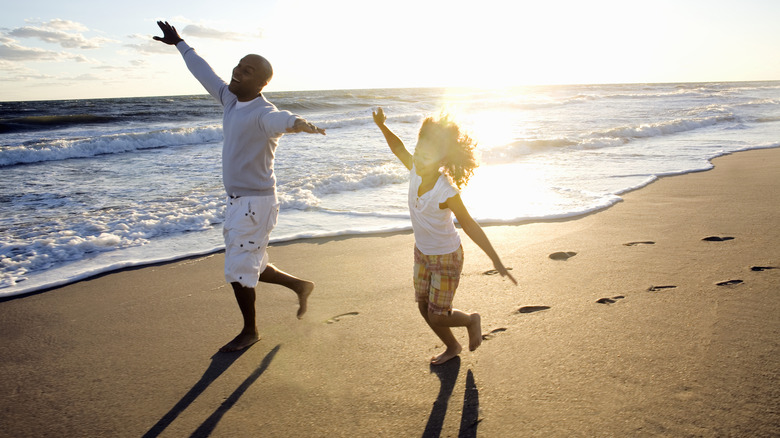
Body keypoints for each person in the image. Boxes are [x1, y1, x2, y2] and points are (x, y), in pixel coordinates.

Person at [154, 21, 325, 352]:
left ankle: (251, 331)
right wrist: (180, 44)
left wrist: (298, 123)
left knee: (237, 269)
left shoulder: (263, 113)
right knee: (252, 264)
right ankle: (300, 286)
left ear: (261, 83)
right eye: (238, 66)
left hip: (254, 205)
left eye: (247, 71)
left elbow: (281, 119)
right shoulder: (230, 100)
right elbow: (203, 72)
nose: (237, 73)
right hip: (240, 203)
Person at [373, 107, 517, 365]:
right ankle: (452, 346)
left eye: (428, 153)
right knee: (422, 306)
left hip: (447, 257)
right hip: (422, 253)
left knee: (438, 315)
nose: (419, 155)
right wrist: (382, 125)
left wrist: (495, 259)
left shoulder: (445, 191)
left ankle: (471, 320)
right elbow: (397, 148)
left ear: (442, 158)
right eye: (419, 148)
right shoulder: (415, 170)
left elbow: (470, 225)